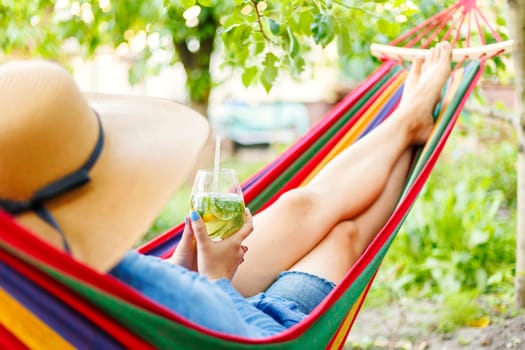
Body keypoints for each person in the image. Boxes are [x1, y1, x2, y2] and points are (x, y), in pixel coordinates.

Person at [0, 42, 452, 338]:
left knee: (300, 205)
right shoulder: (44, 294)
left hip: (177, 294)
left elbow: (138, 285)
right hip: (246, 321)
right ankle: (412, 125)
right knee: (343, 236)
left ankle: (405, 121)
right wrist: (215, 277)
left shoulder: (26, 278)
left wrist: (182, 265)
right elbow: (252, 342)